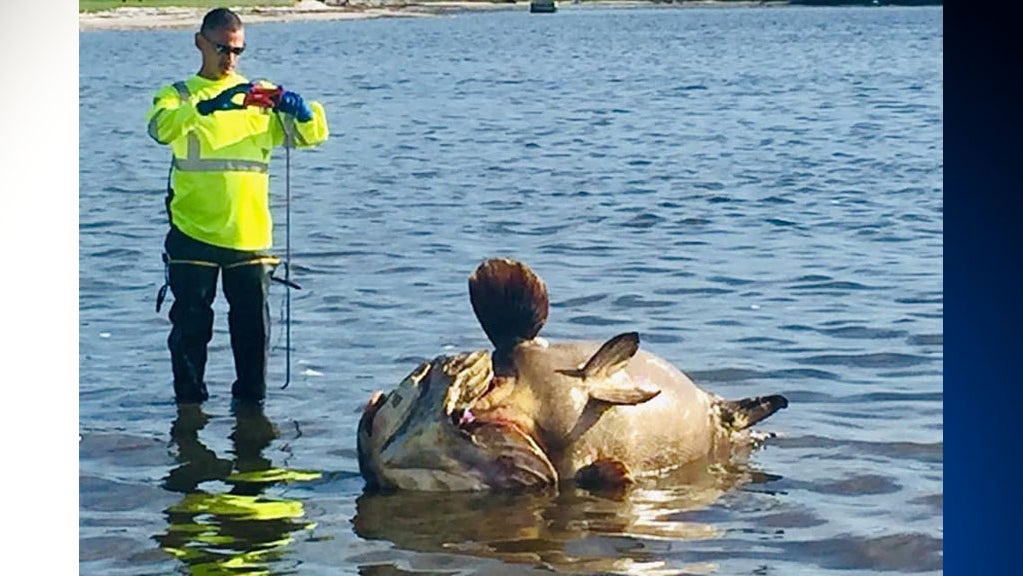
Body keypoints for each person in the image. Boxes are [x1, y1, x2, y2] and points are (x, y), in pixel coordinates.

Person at [146, 8, 329, 405]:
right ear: (201, 43)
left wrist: (304, 111)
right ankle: (189, 412)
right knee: (191, 331)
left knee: (252, 334)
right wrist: (205, 109)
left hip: (249, 237)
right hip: (193, 233)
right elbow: (160, 129)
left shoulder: (259, 95)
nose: (230, 59)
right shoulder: (179, 94)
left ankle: (251, 418)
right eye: (222, 49)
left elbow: (310, 136)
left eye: (237, 51)